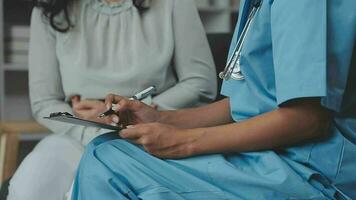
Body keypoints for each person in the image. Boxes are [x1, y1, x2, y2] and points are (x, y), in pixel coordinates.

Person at [71, 0, 356, 199]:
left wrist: (183, 142)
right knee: (108, 147)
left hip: (315, 172)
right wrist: (160, 118)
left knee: (108, 162)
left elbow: (307, 120)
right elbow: (248, 104)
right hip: (274, 155)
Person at [7, 0, 217, 199]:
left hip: (151, 131)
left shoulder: (173, 3)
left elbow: (200, 83)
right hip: (77, 134)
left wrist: (133, 113)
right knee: (29, 190)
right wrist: (92, 129)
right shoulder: (50, 9)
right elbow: (44, 101)